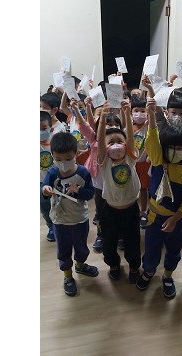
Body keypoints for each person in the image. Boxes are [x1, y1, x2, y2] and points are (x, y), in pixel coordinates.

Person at [136, 97, 182, 299]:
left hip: (175, 221)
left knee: (174, 251)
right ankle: (149, 271)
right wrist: (152, 116)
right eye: (171, 147)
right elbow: (152, 140)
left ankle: (168, 275)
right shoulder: (158, 161)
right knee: (151, 248)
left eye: (180, 148)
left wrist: (176, 218)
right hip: (154, 218)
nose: (175, 152)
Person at [41, 132, 98, 296]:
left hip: (79, 219)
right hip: (60, 221)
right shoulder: (52, 173)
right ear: (52, 156)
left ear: (76, 154)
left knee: (82, 248)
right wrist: (45, 190)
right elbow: (44, 189)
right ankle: (67, 276)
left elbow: (90, 194)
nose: (63, 163)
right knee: (64, 250)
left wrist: (79, 191)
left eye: (68, 158)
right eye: (58, 159)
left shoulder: (83, 172)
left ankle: (80, 265)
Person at [96, 101, 142, 283]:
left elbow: (129, 137)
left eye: (119, 141)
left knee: (133, 242)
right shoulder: (105, 161)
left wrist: (128, 116)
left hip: (131, 209)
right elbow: (100, 142)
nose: (116, 145)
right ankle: (113, 264)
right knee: (109, 242)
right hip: (110, 210)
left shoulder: (130, 158)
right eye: (111, 142)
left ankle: (134, 266)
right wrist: (102, 120)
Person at [77, 98, 123, 253]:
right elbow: (87, 124)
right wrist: (86, 107)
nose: (113, 127)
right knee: (100, 211)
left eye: (116, 125)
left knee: (118, 209)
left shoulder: (120, 143)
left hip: (116, 184)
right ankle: (101, 235)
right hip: (99, 184)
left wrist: (124, 111)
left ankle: (120, 235)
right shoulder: (95, 139)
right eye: (108, 124)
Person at [130, 96, 151, 228]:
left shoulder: (148, 126)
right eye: (136, 110)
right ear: (131, 112)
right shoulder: (129, 127)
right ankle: (132, 212)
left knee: (144, 189)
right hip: (131, 163)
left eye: (143, 111)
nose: (139, 113)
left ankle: (143, 212)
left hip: (144, 163)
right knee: (131, 189)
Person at [40, 111, 57, 242]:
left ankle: (61, 224)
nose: (40, 132)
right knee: (44, 206)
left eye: (43, 128)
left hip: (57, 180)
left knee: (60, 204)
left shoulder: (56, 143)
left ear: (50, 129)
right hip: (40, 182)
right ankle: (51, 226)